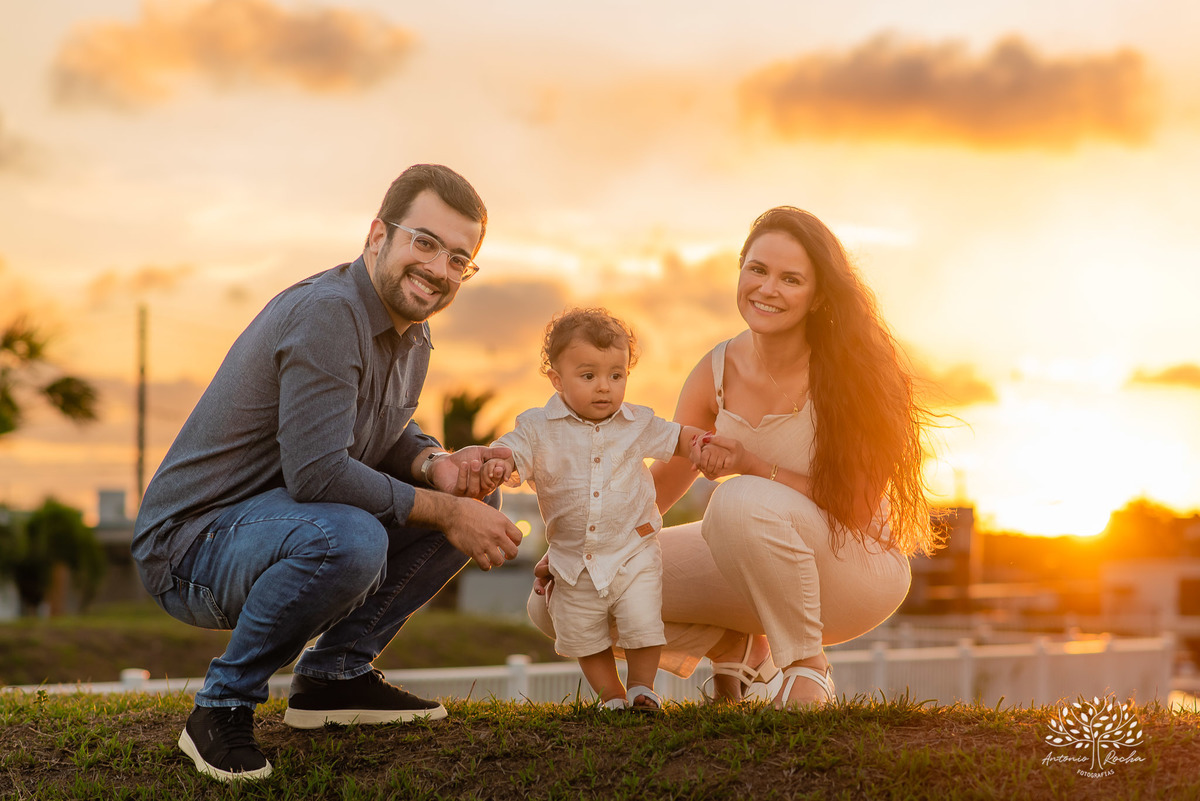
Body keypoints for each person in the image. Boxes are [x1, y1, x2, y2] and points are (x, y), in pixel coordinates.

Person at [132, 164, 521, 782]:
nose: (439, 269)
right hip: (189, 548)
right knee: (354, 536)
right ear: (377, 236)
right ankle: (220, 708)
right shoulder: (327, 315)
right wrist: (446, 509)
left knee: (470, 501)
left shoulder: (413, 337)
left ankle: (335, 678)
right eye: (425, 242)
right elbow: (317, 474)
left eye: (458, 258)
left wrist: (436, 466)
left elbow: (381, 435)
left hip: (279, 525)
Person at [528, 206, 939, 709]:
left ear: (818, 296)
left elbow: (853, 507)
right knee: (557, 602)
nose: (768, 289)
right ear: (741, 270)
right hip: (748, 559)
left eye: (791, 279)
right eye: (758, 269)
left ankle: (809, 669)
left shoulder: (856, 376)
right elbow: (665, 481)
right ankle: (736, 646)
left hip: (855, 567)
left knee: (736, 502)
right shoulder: (715, 371)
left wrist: (751, 464)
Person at [486, 309, 705, 711]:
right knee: (583, 631)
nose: (604, 387)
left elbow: (676, 437)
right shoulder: (538, 427)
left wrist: (700, 445)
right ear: (557, 379)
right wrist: (502, 462)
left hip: (633, 548)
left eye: (616, 375)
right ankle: (612, 695)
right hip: (572, 559)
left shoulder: (636, 421)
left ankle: (641, 688)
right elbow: (513, 446)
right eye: (588, 376)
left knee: (643, 622)